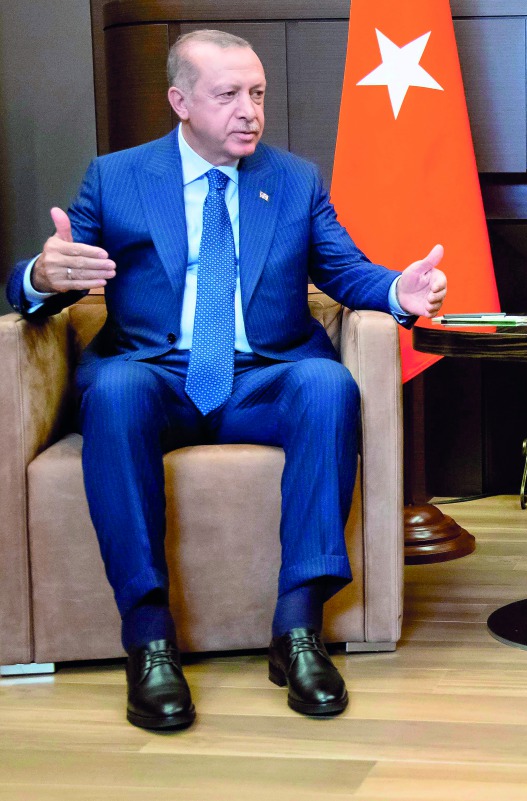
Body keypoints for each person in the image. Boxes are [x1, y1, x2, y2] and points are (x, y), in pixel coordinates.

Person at [5, 29, 448, 731]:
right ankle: (148, 640)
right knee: (115, 389)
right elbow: (55, 271)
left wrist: (398, 290)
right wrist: (41, 274)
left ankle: (297, 630)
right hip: (157, 374)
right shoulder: (116, 176)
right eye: (229, 94)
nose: (250, 110)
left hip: (259, 378)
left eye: (258, 93)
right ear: (181, 101)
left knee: (327, 384)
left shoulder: (294, 179)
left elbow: (344, 270)